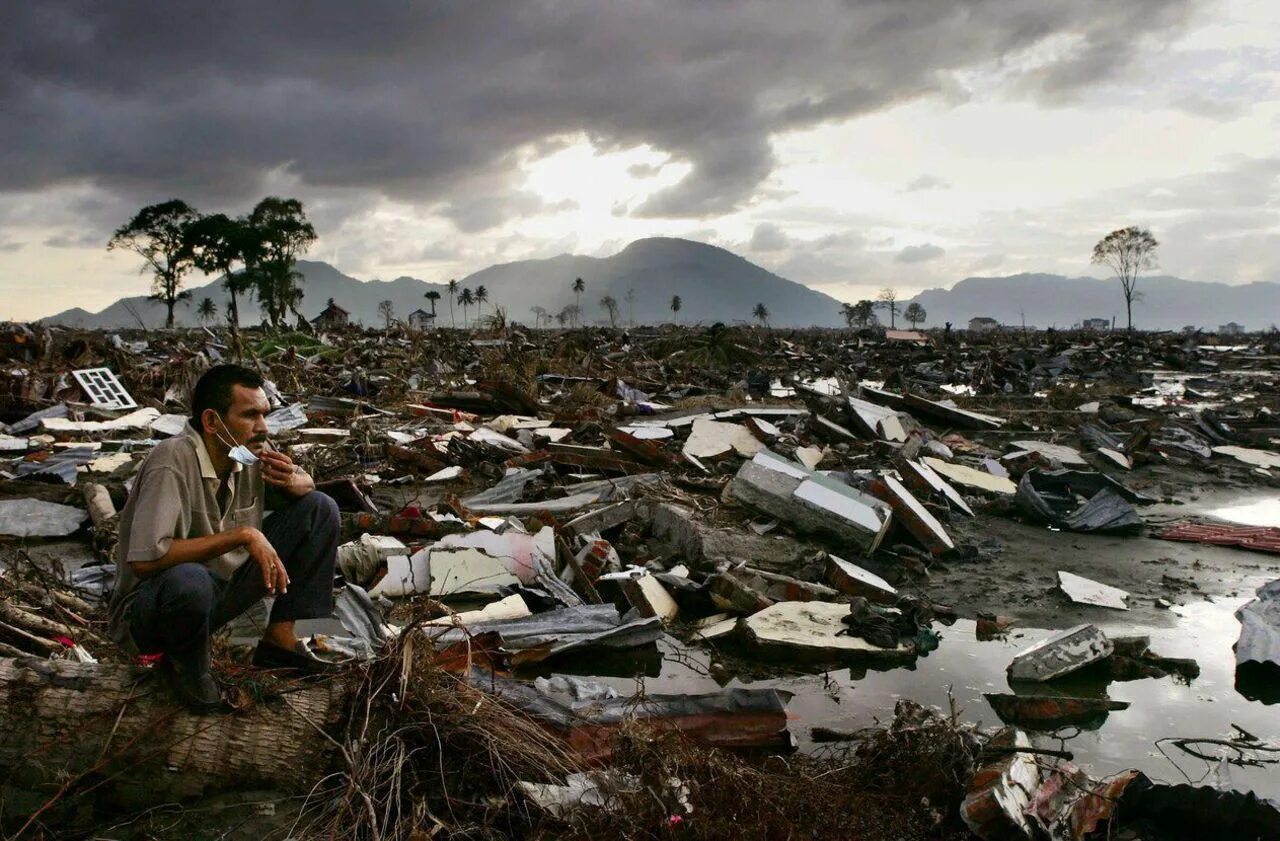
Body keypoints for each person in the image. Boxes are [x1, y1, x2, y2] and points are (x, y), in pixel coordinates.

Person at [107, 364, 340, 712]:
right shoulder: (171, 459)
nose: (263, 427)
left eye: (265, 414)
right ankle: (187, 666)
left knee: (321, 509)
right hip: (155, 611)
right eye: (250, 415)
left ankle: (283, 639)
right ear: (212, 422)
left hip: (216, 596)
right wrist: (244, 535)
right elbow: (145, 561)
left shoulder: (240, 453)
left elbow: (304, 490)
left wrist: (298, 482)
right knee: (189, 578)